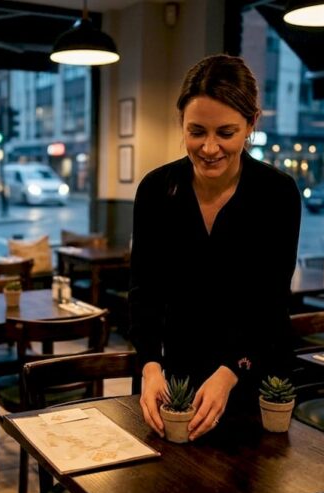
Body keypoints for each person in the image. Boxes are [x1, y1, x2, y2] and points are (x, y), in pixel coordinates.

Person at [129, 54, 301, 441]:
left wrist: (229, 372)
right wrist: (149, 366)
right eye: (196, 132)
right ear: (181, 125)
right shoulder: (156, 190)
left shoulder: (277, 194)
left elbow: (270, 302)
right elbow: (144, 291)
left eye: (225, 133)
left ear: (251, 125)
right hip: (170, 375)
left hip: (252, 376)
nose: (209, 148)